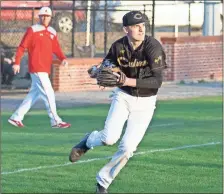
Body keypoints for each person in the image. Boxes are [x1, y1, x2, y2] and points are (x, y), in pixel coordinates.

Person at [69, 11, 167, 193]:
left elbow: (157, 81)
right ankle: (87, 141)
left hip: (146, 103)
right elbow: (107, 63)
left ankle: (103, 182)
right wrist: (97, 70)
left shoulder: (153, 46)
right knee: (108, 138)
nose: (141, 29)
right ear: (125, 29)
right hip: (123, 96)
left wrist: (126, 80)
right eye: (136, 26)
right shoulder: (118, 46)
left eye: (143, 25)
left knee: (128, 148)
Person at [8, 7, 71, 128]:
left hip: (45, 68)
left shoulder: (52, 31)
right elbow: (22, 47)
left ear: (51, 18)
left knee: (34, 94)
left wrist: (62, 58)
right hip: (36, 67)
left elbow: (56, 47)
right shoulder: (32, 30)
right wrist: (17, 62)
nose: (44, 18)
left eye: (47, 16)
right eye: (42, 15)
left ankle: (16, 117)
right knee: (49, 93)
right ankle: (55, 121)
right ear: (39, 16)